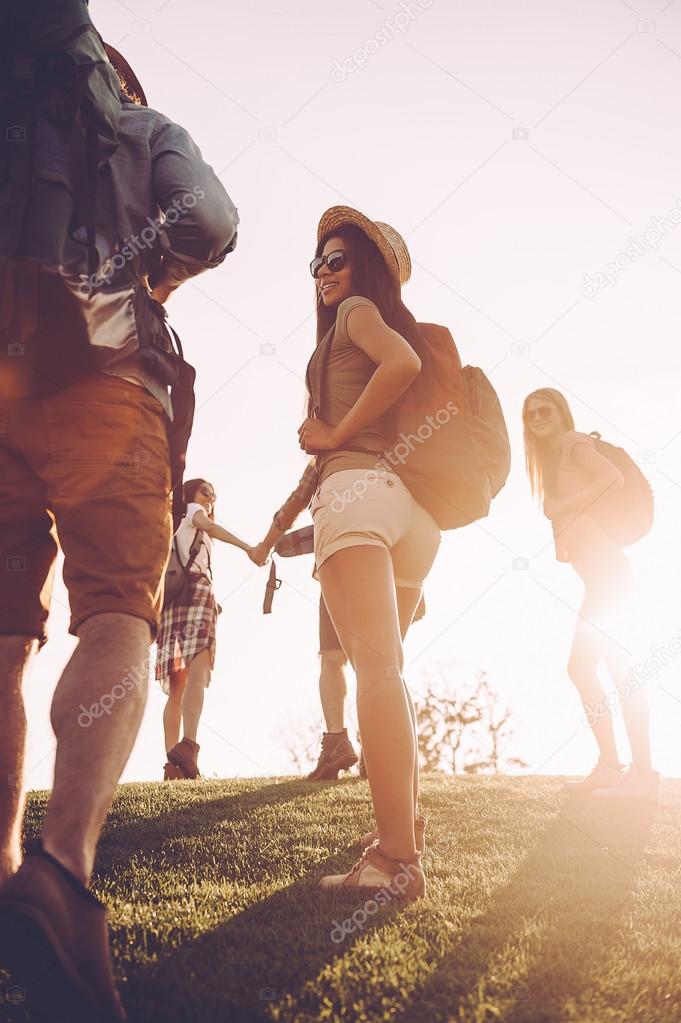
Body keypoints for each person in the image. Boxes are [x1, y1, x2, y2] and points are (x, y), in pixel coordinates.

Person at [0, 14, 238, 1019]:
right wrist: (146, 277)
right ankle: (61, 864)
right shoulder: (141, 130)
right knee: (115, 613)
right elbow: (212, 224)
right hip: (108, 380)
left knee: (4, 639)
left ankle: (4, 865)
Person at [290, 206, 443, 898]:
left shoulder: (355, 315)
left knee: (374, 673)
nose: (324, 271)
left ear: (365, 271)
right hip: (410, 510)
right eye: (318, 260)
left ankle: (394, 859)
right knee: (389, 674)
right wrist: (285, 525)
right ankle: (400, 829)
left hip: (357, 492)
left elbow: (401, 365)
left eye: (338, 258)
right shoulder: (353, 329)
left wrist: (336, 433)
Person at [523, 388, 659, 802]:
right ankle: (619, 768)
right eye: (530, 414)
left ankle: (632, 771)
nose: (537, 417)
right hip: (602, 577)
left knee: (595, 669)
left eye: (545, 409)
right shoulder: (556, 457)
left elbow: (610, 479)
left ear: (562, 413)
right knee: (600, 670)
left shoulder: (572, 442)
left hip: (608, 575)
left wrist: (562, 507)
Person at [252, 491, 426, 782]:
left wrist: (267, 545)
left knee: (337, 660)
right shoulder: (389, 459)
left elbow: (295, 502)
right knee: (381, 662)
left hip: (342, 565)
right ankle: (373, 747)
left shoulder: (326, 462)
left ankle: (342, 742)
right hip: (382, 568)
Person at [158, 478, 254, 780]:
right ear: (191, 494)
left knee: (177, 687)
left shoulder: (176, 523)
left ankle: (173, 764)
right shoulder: (192, 511)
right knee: (199, 671)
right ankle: (188, 746)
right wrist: (248, 547)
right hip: (197, 593)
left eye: (214, 494)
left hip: (171, 601)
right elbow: (210, 527)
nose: (211, 498)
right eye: (206, 491)